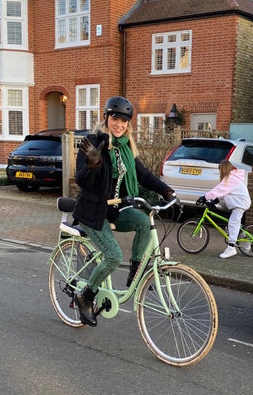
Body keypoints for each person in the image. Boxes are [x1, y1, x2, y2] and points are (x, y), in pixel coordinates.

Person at [72, 96, 176, 326]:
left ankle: (135, 273)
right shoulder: (93, 143)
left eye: (124, 120)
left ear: (129, 123)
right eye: (115, 118)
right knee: (113, 256)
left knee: (143, 222)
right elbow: (82, 181)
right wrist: (93, 165)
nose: (119, 124)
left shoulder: (125, 148)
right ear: (106, 118)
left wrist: (166, 190)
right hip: (93, 212)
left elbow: (142, 174)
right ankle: (85, 296)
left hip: (116, 209)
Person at [196, 160, 251, 259]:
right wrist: (215, 200)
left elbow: (218, 189)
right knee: (230, 221)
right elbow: (224, 192)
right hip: (236, 203)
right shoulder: (232, 177)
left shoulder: (231, 178)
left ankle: (231, 248)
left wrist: (205, 197)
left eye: (220, 170)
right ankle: (242, 236)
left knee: (233, 223)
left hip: (240, 204)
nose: (219, 172)